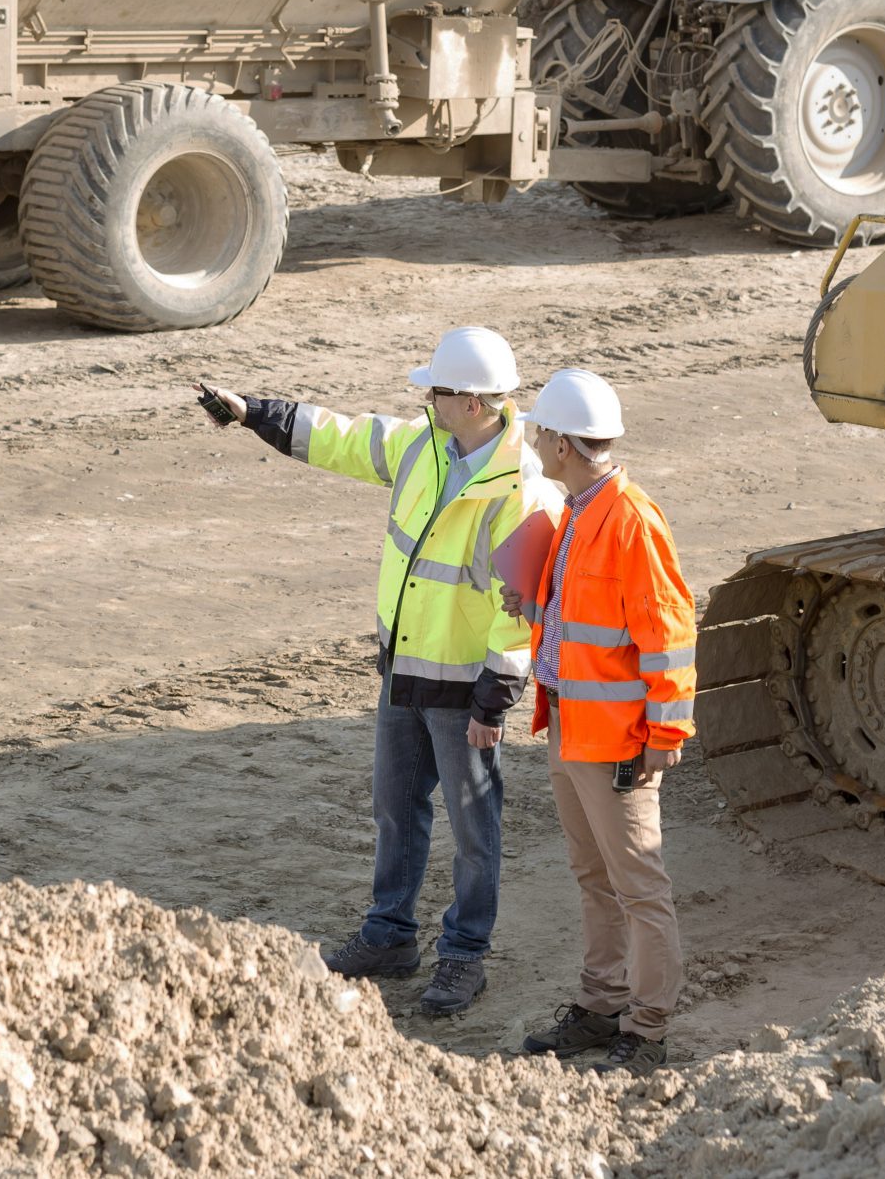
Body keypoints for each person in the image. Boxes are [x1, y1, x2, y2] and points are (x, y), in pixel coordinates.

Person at [194, 327, 556, 1017]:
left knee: (475, 830)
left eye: (439, 390)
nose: (426, 397)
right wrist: (254, 413)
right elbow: (344, 437)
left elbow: (521, 607)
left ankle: (464, 956)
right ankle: (390, 935)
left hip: (462, 687)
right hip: (403, 668)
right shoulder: (424, 442)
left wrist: (495, 696)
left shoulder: (523, 488)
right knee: (397, 808)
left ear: (475, 402)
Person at [505, 369, 696, 1079]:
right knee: (595, 876)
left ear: (562, 440)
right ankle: (600, 1003)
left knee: (639, 885)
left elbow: (670, 632)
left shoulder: (630, 518)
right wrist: (533, 605)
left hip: (616, 743)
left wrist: (665, 736)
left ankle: (647, 1030)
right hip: (570, 729)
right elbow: (589, 626)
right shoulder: (579, 507)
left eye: (540, 433)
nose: (532, 442)